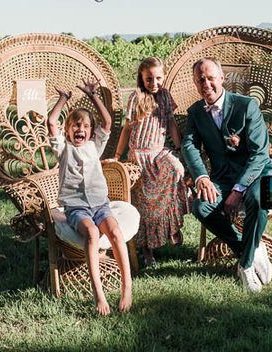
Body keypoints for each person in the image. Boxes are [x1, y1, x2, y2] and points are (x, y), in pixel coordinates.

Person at [181, 57, 272, 292]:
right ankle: (251, 248)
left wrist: (238, 189)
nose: (206, 84)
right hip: (223, 177)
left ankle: (245, 267)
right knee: (201, 207)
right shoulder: (195, 112)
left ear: (222, 79)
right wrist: (202, 177)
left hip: (258, 173)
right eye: (200, 79)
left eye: (210, 78)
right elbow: (189, 145)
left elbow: (260, 154)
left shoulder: (247, 106)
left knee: (258, 199)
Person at [48, 79, 132, 316]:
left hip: (100, 205)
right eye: (75, 125)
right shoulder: (63, 149)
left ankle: (127, 287)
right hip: (76, 208)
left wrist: (93, 95)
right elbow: (51, 122)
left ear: (90, 130)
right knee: (93, 233)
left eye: (85, 126)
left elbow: (107, 121)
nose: (80, 129)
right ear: (68, 130)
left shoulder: (95, 146)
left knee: (115, 232)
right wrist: (63, 98)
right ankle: (99, 293)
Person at [114, 57, 188, 267]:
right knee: (144, 205)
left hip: (159, 153)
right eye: (149, 79)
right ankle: (147, 251)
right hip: (139, 156)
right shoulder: (136, 97)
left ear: (163, 77)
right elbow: (127, 129)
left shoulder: (165, 96)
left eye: (158, 78)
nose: (154, 83)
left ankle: (173, 226)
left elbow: (172, 123)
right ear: (141, 78)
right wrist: (118, 157)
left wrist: (180, 147)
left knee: (177, 169)